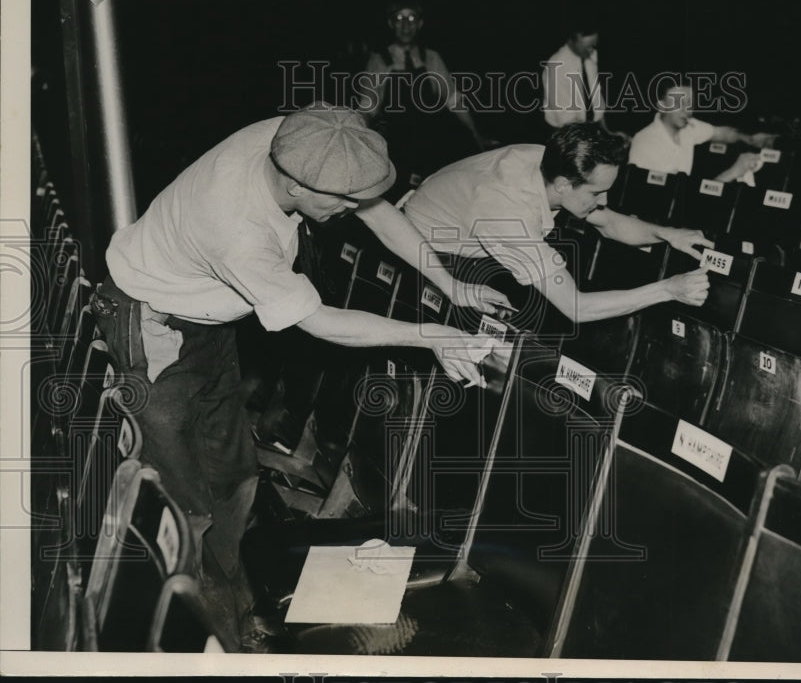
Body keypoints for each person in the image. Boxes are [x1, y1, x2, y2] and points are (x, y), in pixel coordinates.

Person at [92, 105, 506, 648]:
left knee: (233, 475)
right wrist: (433, 335)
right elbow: (323, 322)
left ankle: (241, 598)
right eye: (338, 200)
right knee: (182, 506)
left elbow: (372, 205)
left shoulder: (305, 140)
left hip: (205, 322)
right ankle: (220, 643)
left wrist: (452, 286)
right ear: (293, 183)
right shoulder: (235, 225)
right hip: (153, 332)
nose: (350, 209)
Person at [402, 123, 712, 324]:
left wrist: (666, 233)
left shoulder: (548, 159)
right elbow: (577, 307)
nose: (603, 201)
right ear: (564, 184)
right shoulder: (506, 213)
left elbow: (609, 223)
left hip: (454, 229)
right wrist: (669, 289)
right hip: (418, 254)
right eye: (596, 192)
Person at [359, 0, 491, 192]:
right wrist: (360, 137)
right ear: (391, 24)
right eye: (399, 18)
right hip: (396, 146)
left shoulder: (431, 58)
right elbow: (368, 108)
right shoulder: (379, 60)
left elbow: (453, 100)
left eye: (412, 18)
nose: (406, 25)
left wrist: (476, 134)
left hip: (431, 143)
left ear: (420, 24)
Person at [629, 83, 777, 184]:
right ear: (661, 105)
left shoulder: (689, 127)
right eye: (679, 103)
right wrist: (733, 173)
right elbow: (676, 201)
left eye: (690, 103)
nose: (687, 110)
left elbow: (723, 134)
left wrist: (750, 139)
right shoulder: (646, 143)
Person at [541, 20, 618, 134]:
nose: (592, 50)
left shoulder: (589, 54)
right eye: (587, 47)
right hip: (564, 132)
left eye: (594, 45)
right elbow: (567, 121)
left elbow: (596, 98)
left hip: (588, 126)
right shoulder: (556, 67)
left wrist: (607, 132)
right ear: (571, 41)